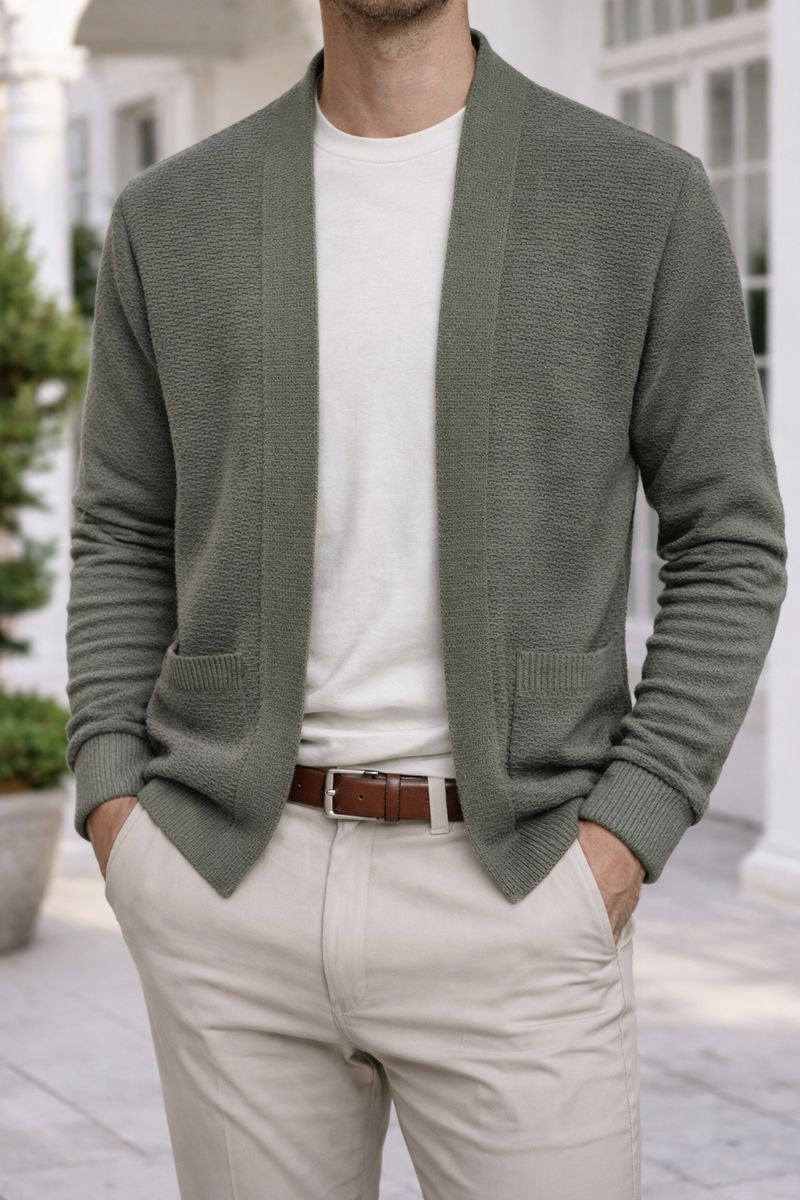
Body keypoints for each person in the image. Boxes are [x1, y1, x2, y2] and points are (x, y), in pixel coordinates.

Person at [65, 3, 787, 1198]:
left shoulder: (635, 199)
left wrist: (627, 830)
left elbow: (730, 538)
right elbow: (123, 529)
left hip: (517, 887)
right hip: (230, 890)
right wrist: (114, 806)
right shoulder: (171, 217)